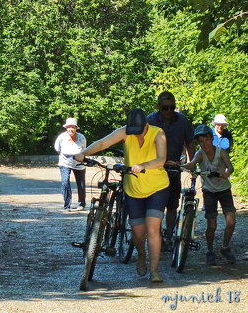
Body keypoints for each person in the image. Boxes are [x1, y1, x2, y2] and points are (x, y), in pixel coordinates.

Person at [74, 108, 169, 283]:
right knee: (138, 233)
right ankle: (141, 253)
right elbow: (103, 143)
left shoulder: (158, 133)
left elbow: (161, 159)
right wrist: (84, 153)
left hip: (157, 187)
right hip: (133, 188)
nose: (135, 134)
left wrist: (143, 165)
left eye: (138, 131)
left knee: (153, 229)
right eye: (132, 131)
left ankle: (154, 271)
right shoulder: (126, 131)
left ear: (146, 125)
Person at [183, 124, 236, 265]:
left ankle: (225, 247)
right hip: (209, 192)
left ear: (211, 138)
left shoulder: (221, 152)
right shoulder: (200, 154)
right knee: (211, 225)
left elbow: (230, 166)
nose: (204, 144)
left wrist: (226, 173)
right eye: (200, 141)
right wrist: (181, 165)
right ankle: (210, 251)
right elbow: (193, 163)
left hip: (224, 190)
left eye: (206, 140)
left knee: (231, 221)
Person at [147, 91, 195, 244]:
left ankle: (168, 235)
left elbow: (190, 142)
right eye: (165, 108)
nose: (168, 111)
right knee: (156, 206)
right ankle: (157, 235)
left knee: (172, 204)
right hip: (154, 170)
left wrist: (192, 163)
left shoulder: (182, 120)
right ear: (158, 107)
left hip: (174, 169)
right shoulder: (150, 120)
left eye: (172, 107)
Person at [54, 117, 86, 211]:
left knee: (81, 184)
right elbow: (57, 149)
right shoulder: (62, 137)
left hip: (79, 163)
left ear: (76, 128)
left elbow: (84, 149)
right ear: (66, 128)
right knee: (65, 182)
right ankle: (67, 205)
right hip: (65, 162)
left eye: (73, 127)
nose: (71, 129)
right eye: (69, 127)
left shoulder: (81, 137)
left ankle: (81, 204)